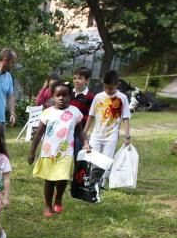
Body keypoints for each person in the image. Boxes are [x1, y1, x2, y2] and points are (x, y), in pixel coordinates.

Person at [28, 80, 85, 217]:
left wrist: (86, 143)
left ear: (69, 96)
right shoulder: (47, 113)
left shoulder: (75, 112)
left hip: (66, 152)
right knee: (49, 180)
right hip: (48, 152)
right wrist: (32, 151)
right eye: (58, 95)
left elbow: (79, 132)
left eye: (64, 95)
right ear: (53, 96)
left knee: (62, 179)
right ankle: (48, 205)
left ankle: (58, 198)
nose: (61, 98)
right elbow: (39, 133)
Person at [84, 69, 131, 160]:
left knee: (106, 161)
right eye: (105, 87)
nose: (107, 90)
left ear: (117, 85)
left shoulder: (122, 98)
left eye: (110, 88)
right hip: (96, 135)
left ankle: (105, 175)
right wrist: (84, 133)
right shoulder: (98, 97)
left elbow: (126, 118)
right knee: (92, 159)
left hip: (111, 137)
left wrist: (127, 136)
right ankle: (92, 175)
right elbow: (91, 115)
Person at [68, 67, 95, 208]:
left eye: (80, 78)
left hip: (79, 131)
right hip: (66, 132)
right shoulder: (69, 93)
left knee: (78, 155)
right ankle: (64, 175)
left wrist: (79, 119)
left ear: (87, 80)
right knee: (66, 154)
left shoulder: (90, 96)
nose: (77, 81)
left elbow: (90, 115)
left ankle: (76, 179)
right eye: (75, 78)